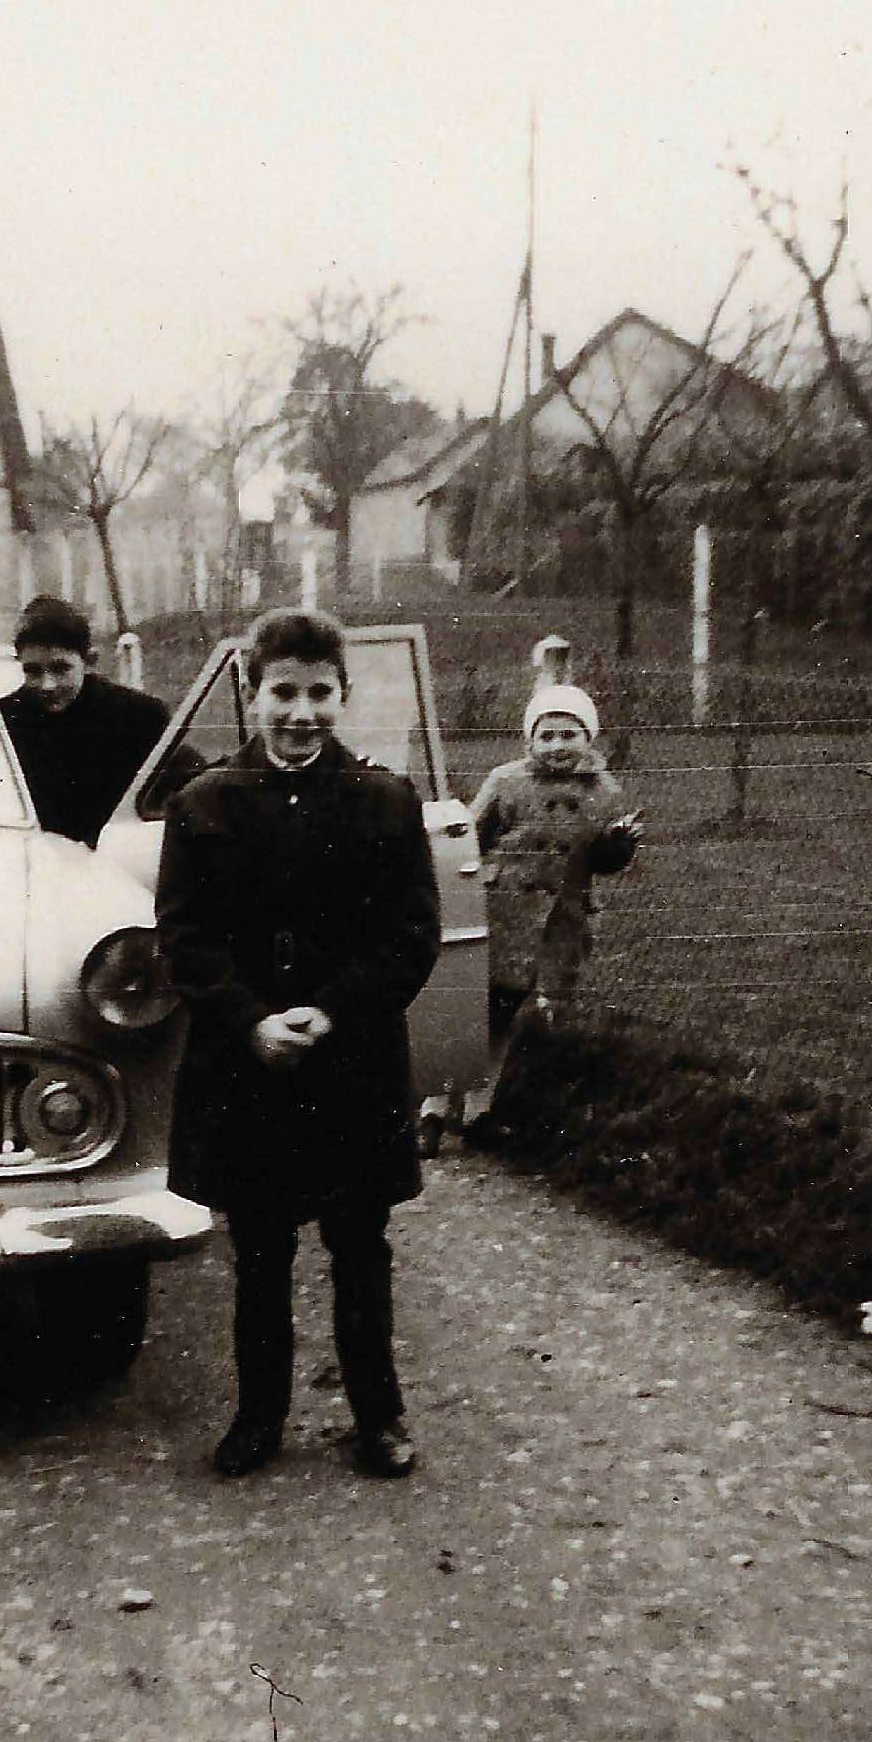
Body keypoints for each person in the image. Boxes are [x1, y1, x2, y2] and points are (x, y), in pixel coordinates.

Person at [154, 608, 442, 1481]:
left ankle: (377, 1414)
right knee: (261, 1246)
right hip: (249, 1068)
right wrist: (247, 1019)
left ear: (343, 695)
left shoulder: (385, 802)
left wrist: (329, 1013)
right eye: (283, 692)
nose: (301, 712)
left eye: (320, 693)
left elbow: (408, 936)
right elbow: (184, 936)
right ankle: (257, 1415)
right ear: (251, 693)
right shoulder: (201, 803)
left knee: (360, 1243)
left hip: (350, 1063)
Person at [469, 677, 642, 1057]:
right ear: (530, 741)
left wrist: (618, 845)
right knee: (488, 1008)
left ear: (589, 738)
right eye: (546, 736)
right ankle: (449, 1099)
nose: (558, 746)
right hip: (504, 912)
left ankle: (528, 1079)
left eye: (569, 735)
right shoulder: (506, 782)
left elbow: (602, 861)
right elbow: (471, 837)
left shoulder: (605, 791)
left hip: (563, 915)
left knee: (547, 1004)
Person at [0, 593, 171, 846]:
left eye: (60, 668)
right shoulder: (3, 719)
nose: (47, 685)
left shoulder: (140, 716)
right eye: (32, 671)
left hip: (115, 863)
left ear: (90, 661)